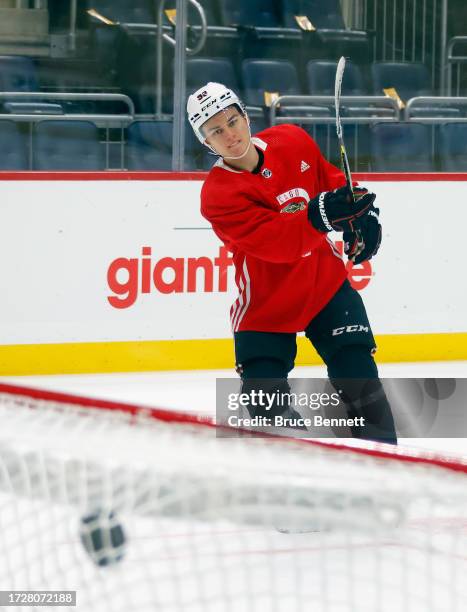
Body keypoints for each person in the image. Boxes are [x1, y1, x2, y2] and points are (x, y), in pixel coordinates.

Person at [187, 82, 397, 444]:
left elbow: (331, 183)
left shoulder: (292, 140)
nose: (229, 134)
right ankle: (296, 482)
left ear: (245, 117)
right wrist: (322, 215)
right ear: (206, 142)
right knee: (265, 407)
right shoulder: (218, 195)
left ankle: (389, 474)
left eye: (232, 121)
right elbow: (278, 244)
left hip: (325, 286)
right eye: (215, 131)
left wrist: (362, 210)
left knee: (364, 387)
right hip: (267, 306)